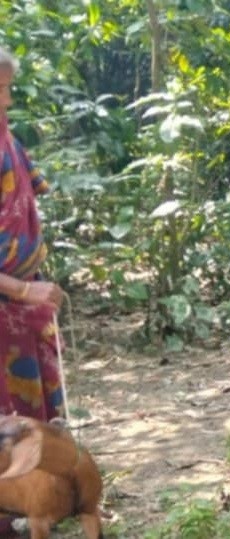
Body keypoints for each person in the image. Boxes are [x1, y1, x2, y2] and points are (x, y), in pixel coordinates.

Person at [0, 47, 67, 537]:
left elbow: (26, 202)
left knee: (31, 414)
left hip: (26, 308)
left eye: (7, 89)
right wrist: (21, 288)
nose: (5, 100)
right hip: (11, 300)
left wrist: (35, 287)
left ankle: (35, 502)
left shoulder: (8, 139)